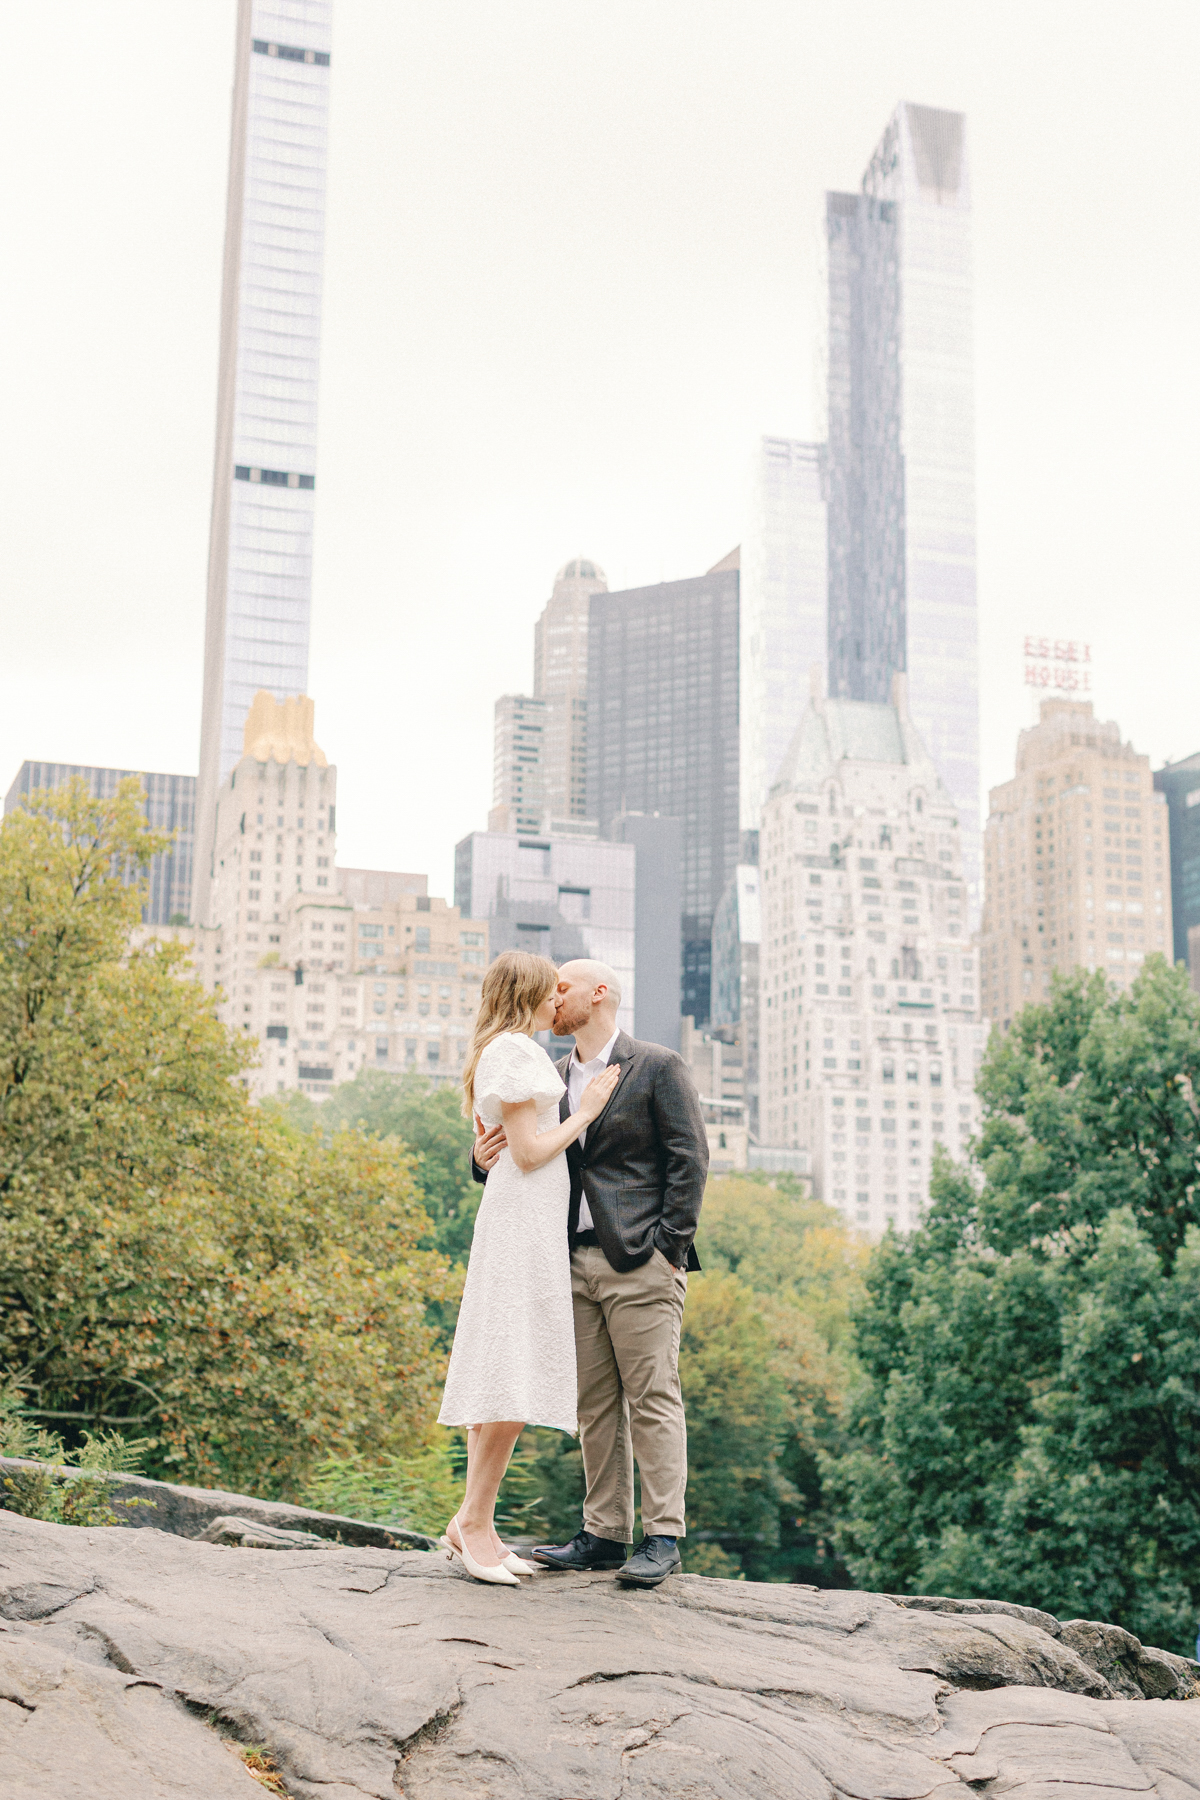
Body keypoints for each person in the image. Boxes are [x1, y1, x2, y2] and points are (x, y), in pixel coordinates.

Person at [472, 958, 708, 1587]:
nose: (552, 997)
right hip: (565, 1261)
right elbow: (524, 1158)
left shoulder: (656, 1066)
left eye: (563, 987)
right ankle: (604, 1533)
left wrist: (669, 1247)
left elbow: (690, 1158)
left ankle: (663, 1535)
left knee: (653, 1394)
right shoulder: (545, 1074)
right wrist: (479, 1156)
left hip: (640, 1260)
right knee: (594, 1404)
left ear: (598, 993)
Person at [437, 950, 620, 1586]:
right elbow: (531, 1150)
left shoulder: (512, 1050)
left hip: (526, 1220)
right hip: (521, 1225)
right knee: (507, 1377)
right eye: (550, 992)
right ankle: (472, 1522)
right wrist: (586, 1112)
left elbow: (509, 1149)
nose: (557, 1002)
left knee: (502, 1374)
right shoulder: (516, 1053)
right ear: (528, 996)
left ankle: (474, 1525)